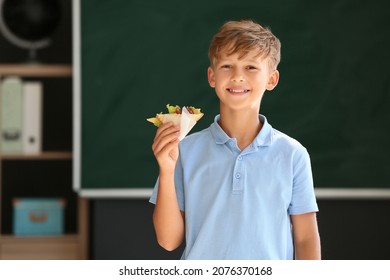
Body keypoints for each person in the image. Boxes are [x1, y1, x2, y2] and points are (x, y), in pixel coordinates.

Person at [149, 19, 321, 260]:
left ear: (271, 79)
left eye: (251, 67)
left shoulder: (292, 154)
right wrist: (166, 170)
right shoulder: (184, 150)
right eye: (227, 66)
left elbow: (305, 238)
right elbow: (168, 241)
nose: (238, 76)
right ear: (212, 77)